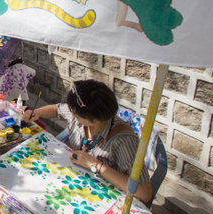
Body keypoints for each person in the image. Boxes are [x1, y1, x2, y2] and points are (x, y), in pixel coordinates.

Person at [24, 80, 152, 203]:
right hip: (74, 181)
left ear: (96, 120)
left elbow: (144, 193)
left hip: (103, 195)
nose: (72, 114)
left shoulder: (124, 141)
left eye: (76, 115)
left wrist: (96, 165)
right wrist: (38, 112)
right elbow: (57, 110)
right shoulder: (80, 109)